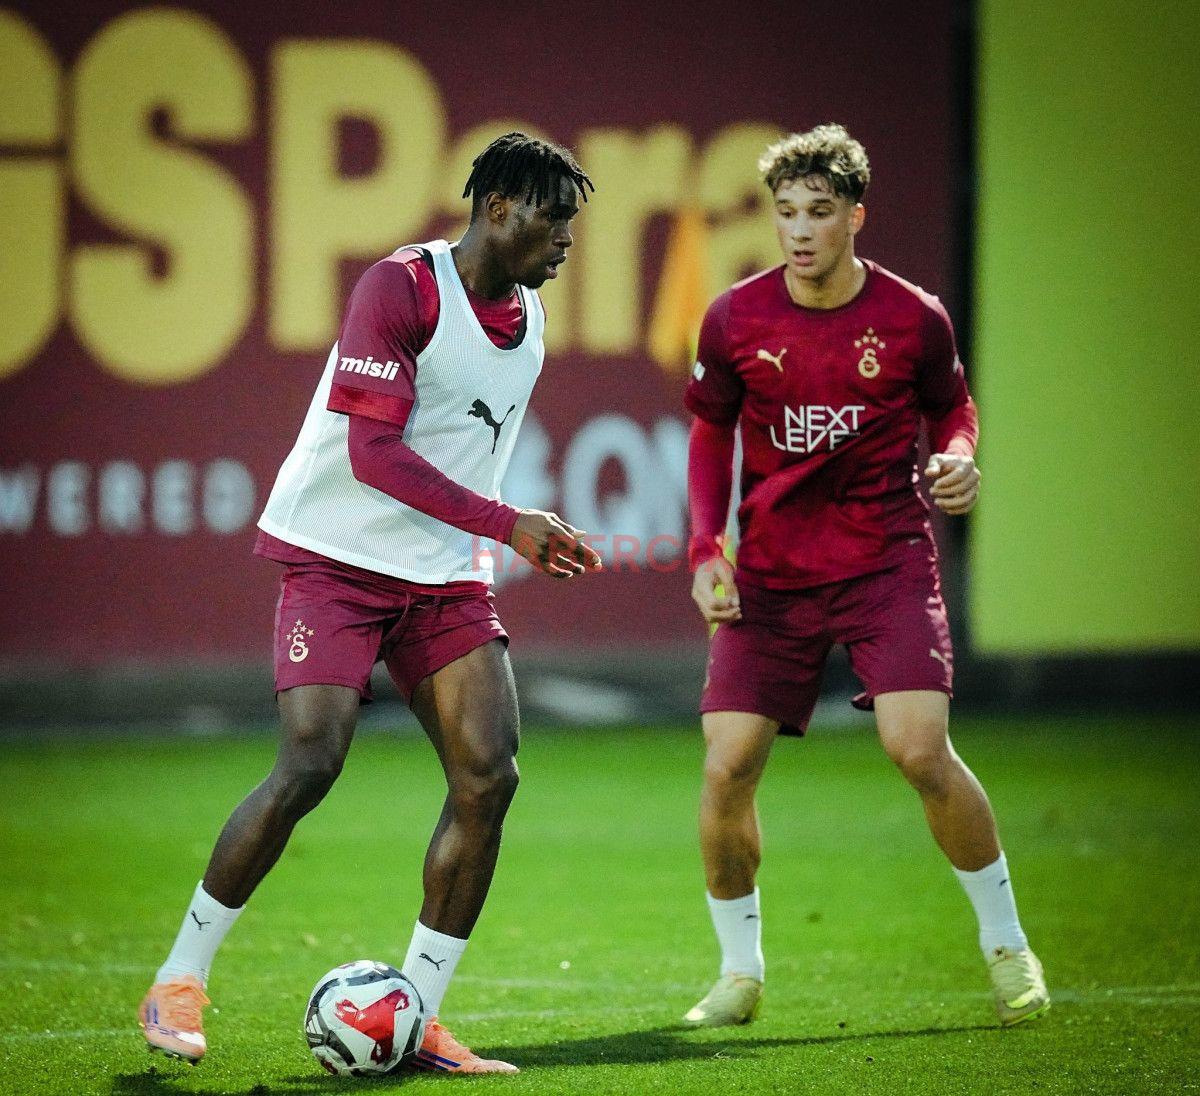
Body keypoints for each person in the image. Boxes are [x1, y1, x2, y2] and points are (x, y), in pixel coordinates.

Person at [139, 133, 601, 1074]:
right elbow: (373, 455)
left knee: (490, 777)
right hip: (336, 561)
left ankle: (418, 1013)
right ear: (500, 206)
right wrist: (508, 524)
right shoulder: (403, 288)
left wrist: (494, 535)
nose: (567, 240)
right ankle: (179, 980)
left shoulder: (531, 317)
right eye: (555, 218)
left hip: (442, 577)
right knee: (311, 762)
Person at [681, 124, 1048, 1029]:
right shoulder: (734, 318)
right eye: (785, 212)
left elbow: (953, 408)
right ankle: (739, 974)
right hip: (772, 573)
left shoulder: (914, 317)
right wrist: (706, 550)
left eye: (818, 211)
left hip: (885, 561)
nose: (799, 230)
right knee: (727, 766)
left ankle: (1008, 947)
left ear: (855, 216)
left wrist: (959, 455)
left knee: (918, 749)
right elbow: (711, 430)